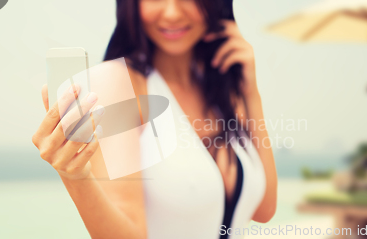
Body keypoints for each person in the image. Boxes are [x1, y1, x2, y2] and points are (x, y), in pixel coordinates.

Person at [32, 0, 277, 238]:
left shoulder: (221, 89)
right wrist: (76, 177)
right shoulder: (119, 84)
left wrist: (251, 94)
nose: (171, 13)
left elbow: (263, 209)